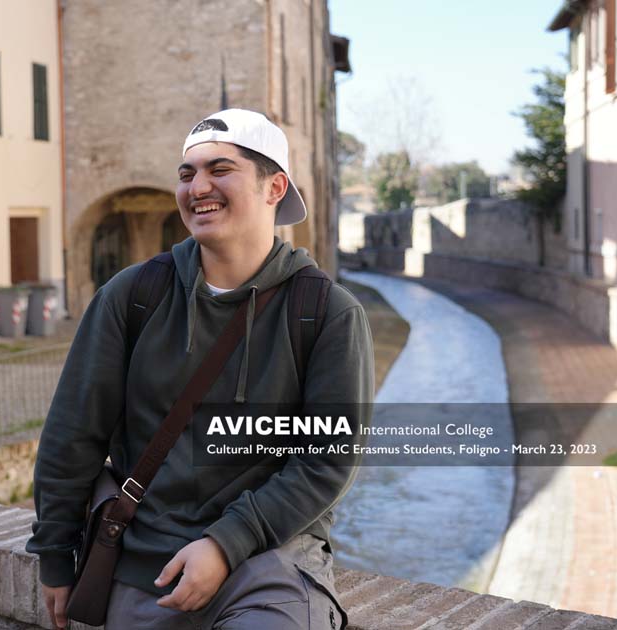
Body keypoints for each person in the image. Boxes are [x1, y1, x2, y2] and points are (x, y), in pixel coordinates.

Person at [25, 108, 374, 629]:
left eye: (220, 169)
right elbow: (72, 435)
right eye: (187, 174)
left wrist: (226, 543)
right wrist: (55, 553)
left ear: (275, 187)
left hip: (271, 563)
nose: (198, 187)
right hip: (145, 567)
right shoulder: (133, 296)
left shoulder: (326, 313)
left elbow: (326, 460)